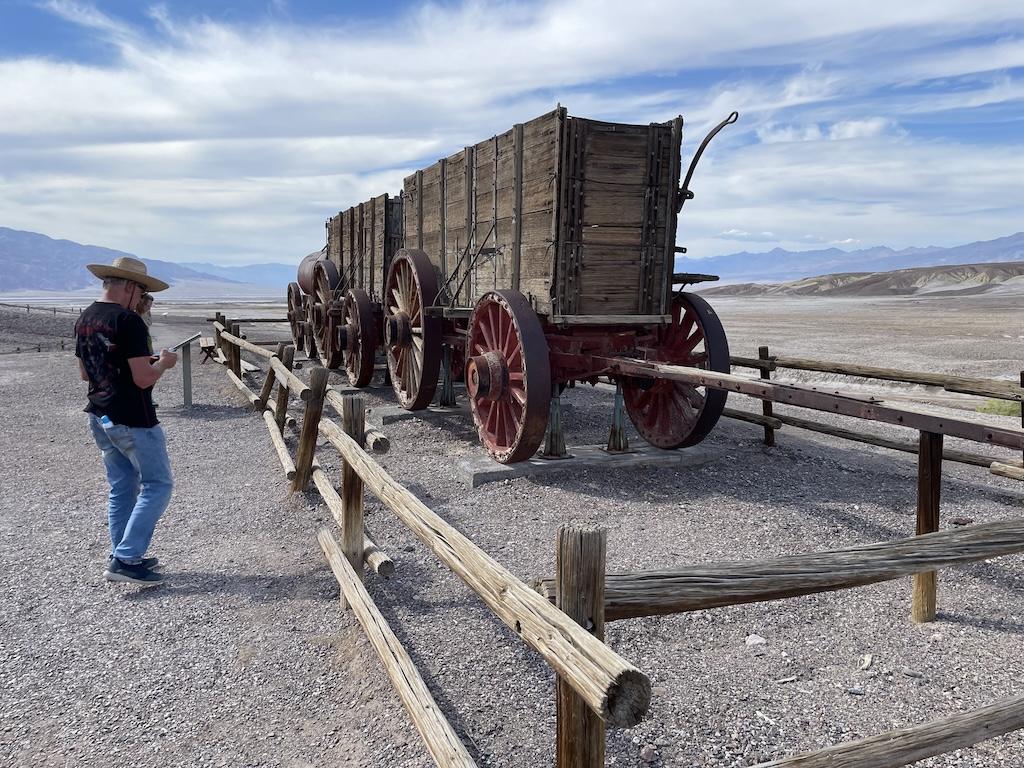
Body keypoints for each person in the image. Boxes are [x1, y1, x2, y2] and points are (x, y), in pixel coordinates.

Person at [75, 256, 177, 585]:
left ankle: (121, 553)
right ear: (131, 287)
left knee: (122, 487)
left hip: (100, 414)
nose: (142, 297)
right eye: (142, 290)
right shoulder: (129, 321)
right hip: (133, 418)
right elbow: (144, 379)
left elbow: (84, 372)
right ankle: (126, 558)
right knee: (158, 485)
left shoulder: (86, 317)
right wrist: (163, 363)